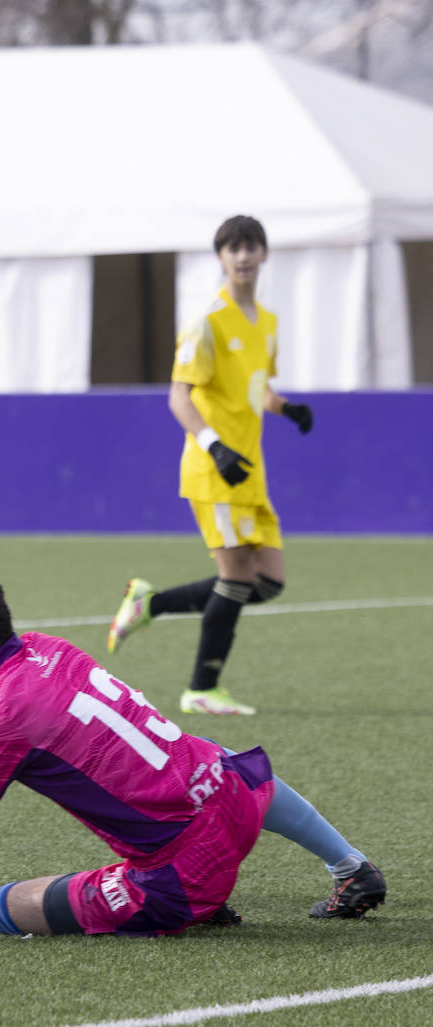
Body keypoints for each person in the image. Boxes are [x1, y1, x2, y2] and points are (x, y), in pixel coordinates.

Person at [0, 557, 386, 935]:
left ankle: (191, 905)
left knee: (3, 909)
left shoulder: (2, 719)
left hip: (181, 870)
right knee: (209, 756)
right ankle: (351, 867)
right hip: (234, 795)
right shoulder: (49, 650)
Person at [107, 215, 314, 716]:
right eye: (233, 247)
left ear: (264, 254)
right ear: (221, 257)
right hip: (214, 468)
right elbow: (179, 397)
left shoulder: (266, 322)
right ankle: (202, 687)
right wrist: (216, 446)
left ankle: (148, 604)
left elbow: (253, 386)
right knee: (238, 576)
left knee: (268, 582)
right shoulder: (207, 322)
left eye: (251, 246)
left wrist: (284, 407)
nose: (242, 256)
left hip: (250, 470)